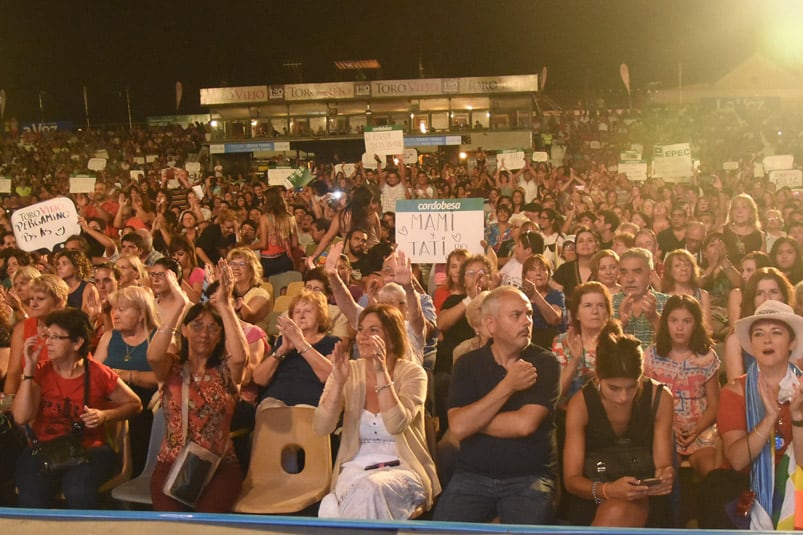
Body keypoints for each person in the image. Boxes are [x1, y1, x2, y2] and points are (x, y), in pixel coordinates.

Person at [434, 287, 560, 524]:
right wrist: (508, 386)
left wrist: (473, 419)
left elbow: (524, 424)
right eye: (516, 315)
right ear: (491, 325)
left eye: (529, 314)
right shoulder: (467, 364)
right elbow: (459, 427)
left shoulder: (545, 362)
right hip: (472, 476)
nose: (527, 321)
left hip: (527, 479)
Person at [313, 304, 439, 519]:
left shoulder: (414, 374)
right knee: (331, 506)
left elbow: (395, 424)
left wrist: (381, 372)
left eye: (373, 331)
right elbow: (321, 426)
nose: (362, 337)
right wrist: (338, 384)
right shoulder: (347, 370)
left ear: (391, 338)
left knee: (367, 491)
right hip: (355, 469)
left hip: (402, 468)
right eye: (360, 329)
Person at [12, 308, 142, 508]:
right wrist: (28, 370)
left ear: (77, 342)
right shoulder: (41, 372)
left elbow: (135, 404)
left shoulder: (98, 373)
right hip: (45, 448)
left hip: (89, 449)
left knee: (78, 490)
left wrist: (105, 415)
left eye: (56, 337)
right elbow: (20, 418)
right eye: (47, 336)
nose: (48, 343)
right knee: (32, 493)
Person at [147, 260, 248, 512]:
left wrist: (224, 304)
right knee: (173, 529)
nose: (204, 333)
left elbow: (240, 357)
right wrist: (180, 304)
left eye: (213, 328)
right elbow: (153, 355)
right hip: (171, 464)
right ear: (184, 330)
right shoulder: (171, 367)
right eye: (197, 326)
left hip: (219, 467)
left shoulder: (225, 372)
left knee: (206, 526)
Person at [563, 322, 674, 527]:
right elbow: (571, 480)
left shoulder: (659, 398)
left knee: (619, 510)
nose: (623, 397)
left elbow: (663, 465)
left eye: (632, 387)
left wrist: (665, 476)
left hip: (644, 497)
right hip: (592, 495)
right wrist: (608, 490)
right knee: (615, 510)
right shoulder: (581, 403)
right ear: (599, 377)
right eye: (613, 388)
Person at [716, 300, 803, 530]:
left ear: (792, 342)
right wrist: (768, 419)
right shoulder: (734, 392)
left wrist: (797, 418)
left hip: (796, 482)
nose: (767, 340)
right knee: (715, 490)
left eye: (776, 333)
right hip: (745, 484)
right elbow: (737, 461)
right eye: (759, 334)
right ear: (751, 344)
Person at [644, 295, 720, 478]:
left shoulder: (707, 358)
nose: (679, 327)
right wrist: (669, 426)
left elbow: (714, 405)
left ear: (696, 324)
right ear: (666, 322)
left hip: (701, 429)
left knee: (710, 469)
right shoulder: (652, 355)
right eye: (674, 320)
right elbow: (646, 401)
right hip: (665, 427)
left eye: (686, 321)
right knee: (664, 470)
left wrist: (697, 429)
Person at [94, 286, 161, 476]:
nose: (115, 314)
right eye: (114, 309)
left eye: (122, 309)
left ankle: (136, 475)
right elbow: (95, 373)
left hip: (146, 408)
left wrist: (126, 375)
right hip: (109, 404)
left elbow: (162, 378)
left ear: (141, 314)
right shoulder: (109, 337)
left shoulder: (158, 338)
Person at [252, 289, 337, 406]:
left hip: (311, 406)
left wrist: (301, 343)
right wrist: (281, 351)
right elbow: (258, 380)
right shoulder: (283, 341)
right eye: (297, 312)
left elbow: (330, 377)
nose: (302, 315)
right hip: (275, 403)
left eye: (308, 311)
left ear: (320, 316)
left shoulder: (332, 343)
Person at [723, 267, 794, 383]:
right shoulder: (736, 340)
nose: (767, 298)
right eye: (759, 293)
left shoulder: (798, 334)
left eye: (773, 292)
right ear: (752, 298)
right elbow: (735, 389)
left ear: (784, 296)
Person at [4, 275, 69, 395]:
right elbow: (13, 373)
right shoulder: (22, 328)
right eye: (32, 298)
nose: (33, 304)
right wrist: (7, 407)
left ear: (59, 302)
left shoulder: (70, 328)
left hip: (63, 396)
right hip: (29, 396)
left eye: (40, 299)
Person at [553, 282, 613, 407]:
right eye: (588, 305)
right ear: (576, 314)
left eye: (600, 305)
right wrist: (575, 360)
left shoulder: (616, 344)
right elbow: (557, 394)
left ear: (607, 313)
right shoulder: (561, 342)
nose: (595, 311)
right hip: (567, 413)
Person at [613, 248, 670, 349]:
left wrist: (654, 318)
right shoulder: (607, 304)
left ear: (651, 275)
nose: (630, 279)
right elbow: (601, 350)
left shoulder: (668, 303)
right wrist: (621, 323)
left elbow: (677, 347)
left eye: (637, 272)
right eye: (624, 272)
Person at [661, 249, 713, 336]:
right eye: (677, 266)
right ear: (669, 271)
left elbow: (709, 329)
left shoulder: (703, 295)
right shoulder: (662, 297)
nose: (684, 269)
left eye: (687, 265)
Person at [251, 187, 299, 276]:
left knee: (268, 288)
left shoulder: (265, 218)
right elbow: (295, 244)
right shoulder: (290, 217)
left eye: (265, 200)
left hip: (269, 261)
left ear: (270, 201)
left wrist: (247, 247)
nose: (263, 203)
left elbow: (263, 244)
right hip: (286, 259)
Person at [520, 254, 565, 348]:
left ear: (548, 274)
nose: (538, 273)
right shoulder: (517, 296)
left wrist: (535, 294)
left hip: (551, 345)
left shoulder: (556, 295)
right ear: (524, 275)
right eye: (532, 269)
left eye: (543, 269)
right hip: (525, 344)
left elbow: (554, 319)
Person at [227, 247, 272, 333]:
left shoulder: (261, 293)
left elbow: (247, 317)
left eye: (242, 264)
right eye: (232, 264)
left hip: (253, 341)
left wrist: (226, 293)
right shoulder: (227, 291)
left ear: (252, 270)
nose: (235, 268)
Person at [552, 226, 598, 301]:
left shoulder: (602, 269)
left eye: (589, 241)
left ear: (596, 246)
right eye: (581, 241)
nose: (585, 244)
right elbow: (556, 298)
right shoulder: (565, 269)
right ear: (575, 247)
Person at [169, 236, 205, 304]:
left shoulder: (197, 272)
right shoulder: (170, 272)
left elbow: (196, 300)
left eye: (180, 254)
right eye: (173, 255)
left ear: (189, 254)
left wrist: (178, 278)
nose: (176, 258)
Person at [432, 249, 469, 313]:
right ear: (448, 271)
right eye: (454, 267)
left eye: (462, 267)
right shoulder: (440, 292)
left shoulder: (476, 292)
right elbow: (438, 321)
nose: (458, 271)